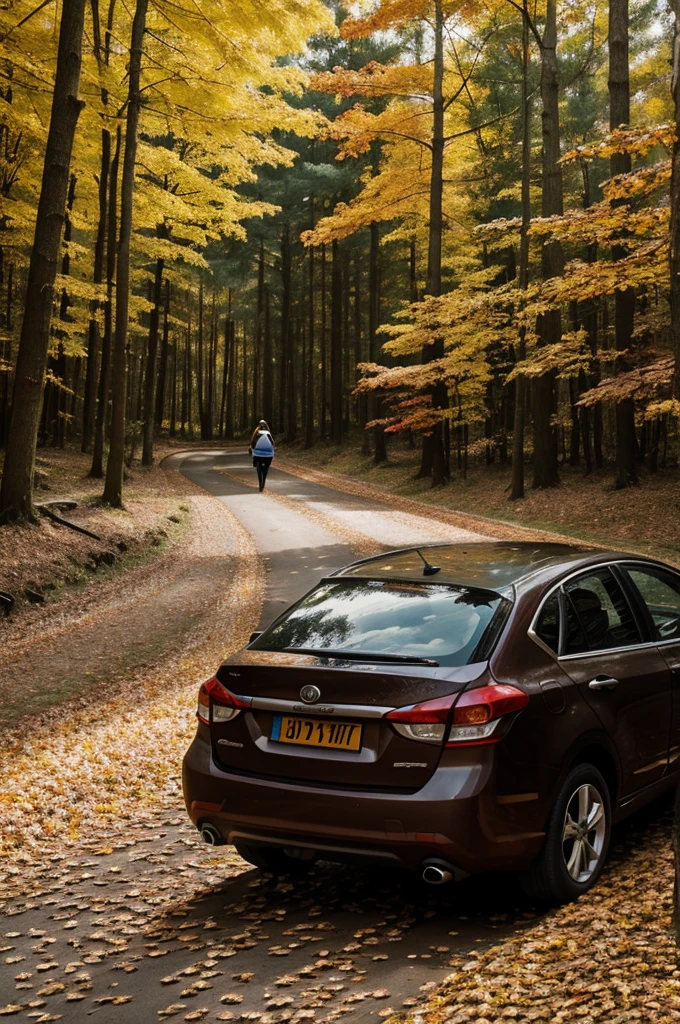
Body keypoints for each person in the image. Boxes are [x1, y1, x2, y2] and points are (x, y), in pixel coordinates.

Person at [249, 420, 275, 492]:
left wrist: (251, 449)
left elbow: (253, 443)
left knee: (258, 469)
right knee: (266, 469)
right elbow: (272, 444)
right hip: (268, 455)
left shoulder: (256, 432)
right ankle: (263, 484)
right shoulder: (268, 433)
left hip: (258, 454)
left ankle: (260, 484)